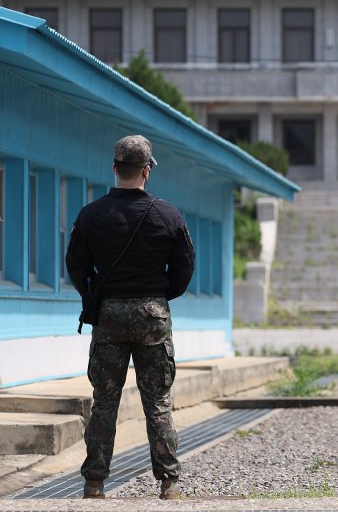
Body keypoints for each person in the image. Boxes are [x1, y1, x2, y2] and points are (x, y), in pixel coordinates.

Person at [66, 135, 195, 500]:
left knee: (105, 401)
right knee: (157, 401)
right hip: (153, 315)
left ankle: (94, 483)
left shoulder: (90, 215)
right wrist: (159, 294)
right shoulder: (168, 214)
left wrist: (94, 296)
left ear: (114, 168)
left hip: (109, 314)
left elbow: (75, 265)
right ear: (147, 169)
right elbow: (185, 268)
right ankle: (169, 483)